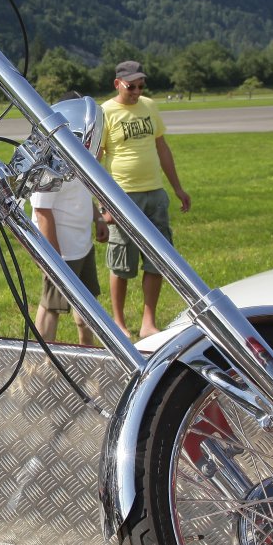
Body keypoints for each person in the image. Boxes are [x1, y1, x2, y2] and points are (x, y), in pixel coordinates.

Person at [99, 61, 190, 341]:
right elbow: (96, 159)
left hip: (155, 194)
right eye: (131, 87)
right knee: (121, 262)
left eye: (141, 86)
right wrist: (104, 203)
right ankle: (119, 322)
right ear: (117, 84)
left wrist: (177, 188)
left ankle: (148, 322)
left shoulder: (149, 106)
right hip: (123, 196)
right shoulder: (105, 112)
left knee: (157, 259)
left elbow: (162, 148)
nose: (137, 91)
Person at [31, 95, 109, 345]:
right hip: (62, 252)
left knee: (87, 305)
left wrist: (98, 219)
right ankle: (40, 361)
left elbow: (82, 192)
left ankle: (87, 352)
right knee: (51, 307)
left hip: (82, 245)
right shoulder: (48, 162)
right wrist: (54, 260)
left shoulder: (79, 156)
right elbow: (42, 212)